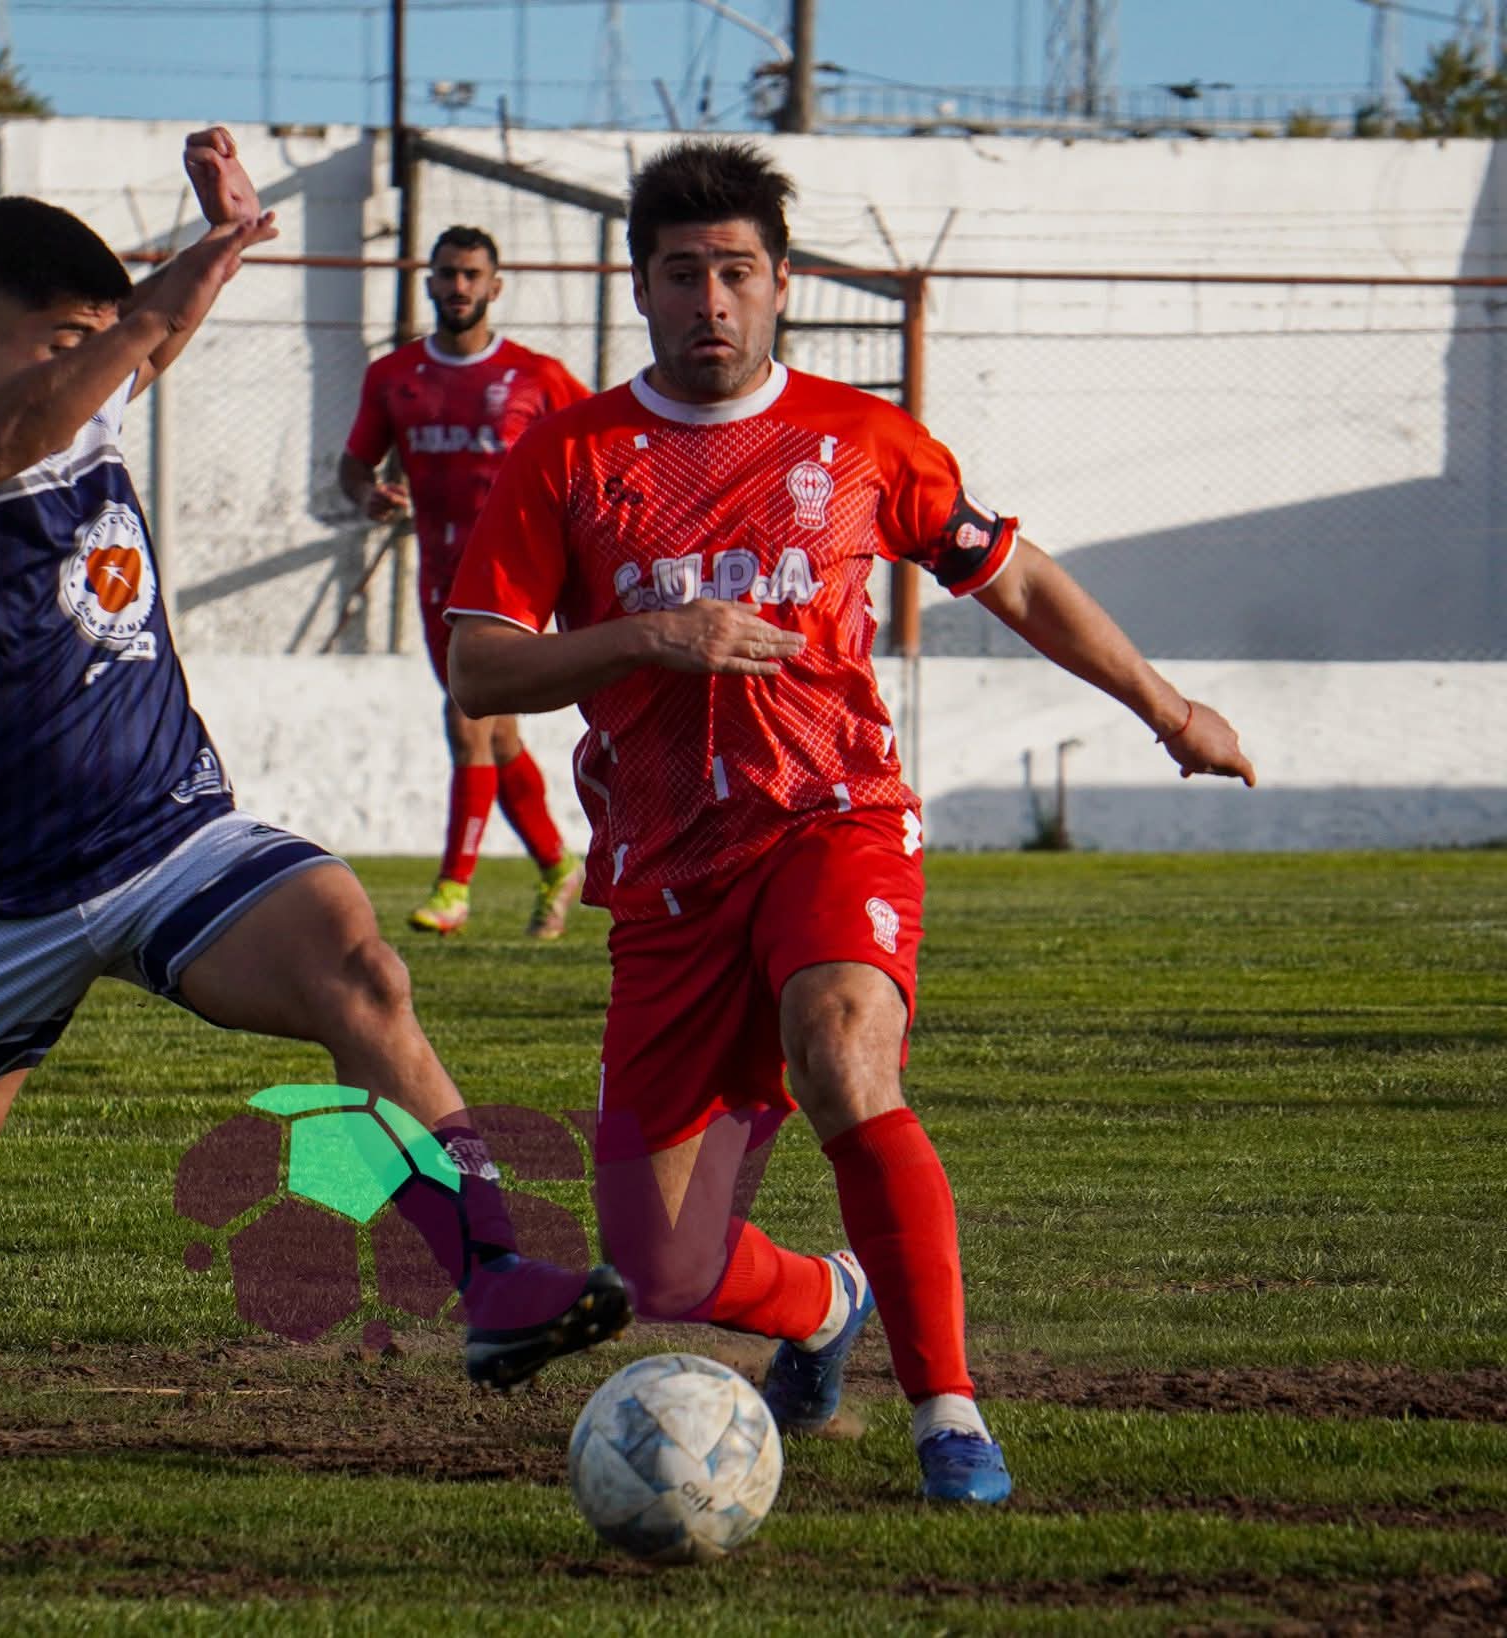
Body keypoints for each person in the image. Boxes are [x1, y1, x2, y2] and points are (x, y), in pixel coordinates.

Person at [0, 130, 628, 1458]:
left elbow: (124, 363)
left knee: (364, 974)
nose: (101, 371)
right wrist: (155, 303)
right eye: (65, 341)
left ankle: (493, 1276)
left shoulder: (70, 382)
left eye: (102, 340)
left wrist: (213, 259)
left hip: (170, 836)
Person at [445, 139, 1256, 1505]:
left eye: (739, 273)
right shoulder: (567, 454)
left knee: (841, 1049)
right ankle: (826, 1301)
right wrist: (655, 633)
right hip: (663, 878)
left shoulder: (861, 439)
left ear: (782, 286)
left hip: (834, 821)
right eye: (683, 272)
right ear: (638, 288)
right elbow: (479, 664)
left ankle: (950, 1410)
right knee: (664, 1266)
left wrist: (1165, 707)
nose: (712, 298)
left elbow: (1018, 579)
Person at [338, 226, 591, 939]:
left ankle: (453, 888)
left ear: (495, 285)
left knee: (466, 723)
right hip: (439, 578)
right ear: (429, 283)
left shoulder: (537, 376)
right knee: (498, 736)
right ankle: (554, 866)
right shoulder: (394, 378)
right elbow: (355, 466)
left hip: (513, 576)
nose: (458, 286)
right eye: (447, 274)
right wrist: (369, 496)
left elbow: (595, 445)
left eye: (472, 274)